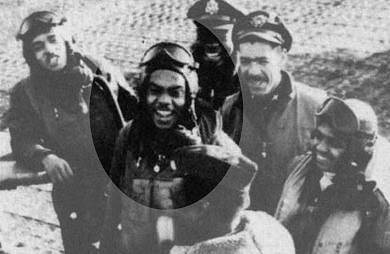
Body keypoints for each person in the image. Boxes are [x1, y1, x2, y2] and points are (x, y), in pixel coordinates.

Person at [99, 42, 271, 254]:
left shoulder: (214, 144)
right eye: (155, 91)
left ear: (187, 97)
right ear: (144, 94)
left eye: (175, 93)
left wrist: (198, 156)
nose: (164, 101)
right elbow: (114, 207)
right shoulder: (129, 136)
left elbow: (230, 224)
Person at [5, 11, 137, 254]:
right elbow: (22, 137)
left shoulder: (98, 68)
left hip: (118, 181)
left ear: (66, 41)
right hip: (75, 187)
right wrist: (45, 156)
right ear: (31, 55)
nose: (48, 50)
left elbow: (135, 111)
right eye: (38, 46)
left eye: (53, 39)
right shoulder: (25, 92)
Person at [222, 10, 327, 214]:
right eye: (245, 61)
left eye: (262, 61)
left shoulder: (316, 107)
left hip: (298, 229)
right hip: (248, 231)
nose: (252, 71)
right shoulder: (230, 110)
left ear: (281, 57)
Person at [275, 97, 390, 254]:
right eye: (318, 136)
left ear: (357, 151)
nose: (320, 147)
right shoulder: (298, 170)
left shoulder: (376, 203)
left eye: (334, 143)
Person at [187, 0, 244, 109]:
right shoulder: (189, 68)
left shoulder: (244, 75)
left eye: (220, 37)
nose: (212, 44)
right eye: (205, 35)